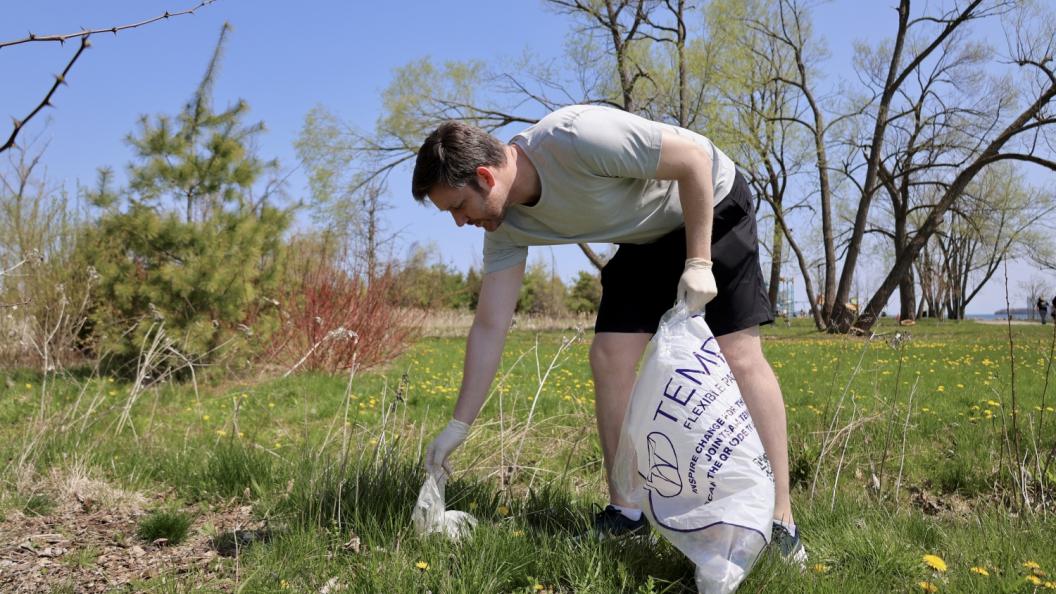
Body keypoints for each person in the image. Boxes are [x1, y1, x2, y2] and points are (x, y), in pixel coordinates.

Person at [412, 105, 804, 563]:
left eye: (459, 207)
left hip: (709, 203)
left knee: (738, 354)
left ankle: (780, 522)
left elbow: (694, 159)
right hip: (644, 238)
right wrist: (458, 427)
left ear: (485, 176)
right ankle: (627, 515)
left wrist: (698, 264)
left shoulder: (577, 138)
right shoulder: (506, 228)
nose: (461, 222)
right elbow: (490, 325)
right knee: (610, 355)